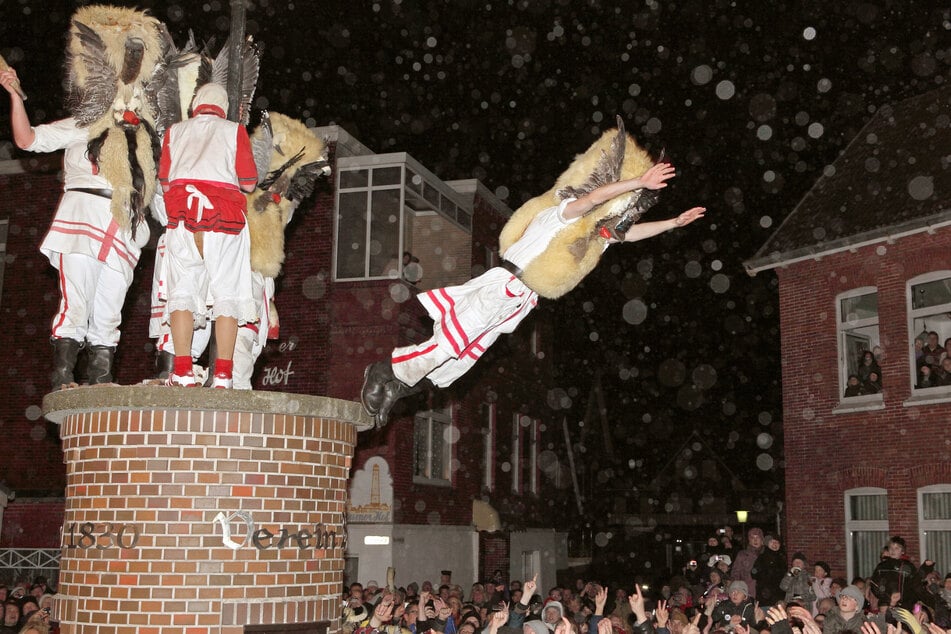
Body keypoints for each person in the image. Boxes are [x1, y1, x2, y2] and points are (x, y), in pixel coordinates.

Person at [361, 161, 705, 427]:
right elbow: (592, 199)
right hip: (502, 286)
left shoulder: (588, 241)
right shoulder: (563, 216)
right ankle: (383, 370)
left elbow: (626, 235)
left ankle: (398, 388)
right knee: (451, 344)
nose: (613, 225)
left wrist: (673, 223)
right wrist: (639, 182)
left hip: (518, 304)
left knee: (454, 367)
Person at [0, 66, 150, 389]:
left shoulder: (142, 141)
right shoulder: (84, 126)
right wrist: (15, 95)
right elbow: (28, 140)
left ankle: (100, 381)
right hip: (82, 218)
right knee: (76, 303)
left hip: (122, 227)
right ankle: (63, 376)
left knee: (110, 313)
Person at [157, 82, 258, 388]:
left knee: (183, 293)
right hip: (223, 217)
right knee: (228, 295)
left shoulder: (174, 131)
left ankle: (183, 370)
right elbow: (250, 182)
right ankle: (224, 375)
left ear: (195, 105)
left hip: (183, 217)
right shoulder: (233, 130)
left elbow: (165, 182)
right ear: (224, 107)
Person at [869, 536, 919, 609]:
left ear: (903, 551)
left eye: (896, 548)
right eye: (891, 548)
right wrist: (887, 599)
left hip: (904, 606)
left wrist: (902, 597)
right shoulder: (882, 566)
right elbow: (874, 584)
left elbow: (915, 587)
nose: (893, 550)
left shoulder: (909, 567)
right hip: (885, 605)